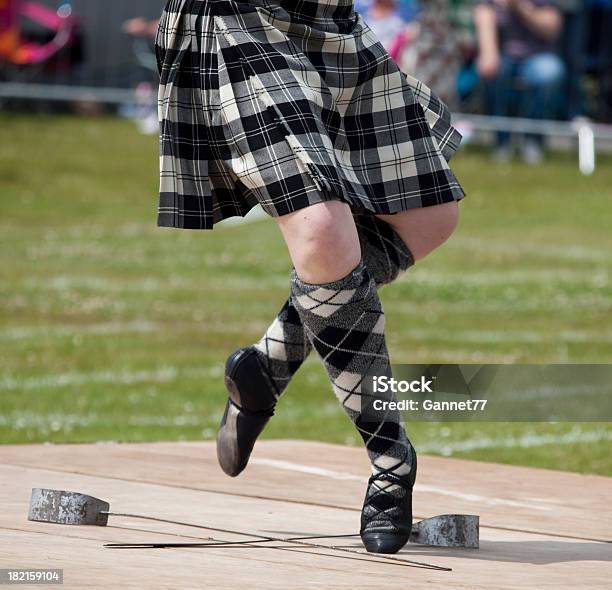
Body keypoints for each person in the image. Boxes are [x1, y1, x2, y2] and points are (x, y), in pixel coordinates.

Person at [155, 0, 465, 555]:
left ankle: (266, 370)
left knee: (430, 213)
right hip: (240, 17)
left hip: (327, 20)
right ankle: (391, 460)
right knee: (322, 232)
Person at [474, 0, 565, 163]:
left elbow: (552, 28)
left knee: (549, 71)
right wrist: (488, 52)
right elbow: (483, 13)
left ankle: (532, 139)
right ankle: (502, 141)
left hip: (539, 56)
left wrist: (521, 8)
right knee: (493, 70)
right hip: (503, 57)